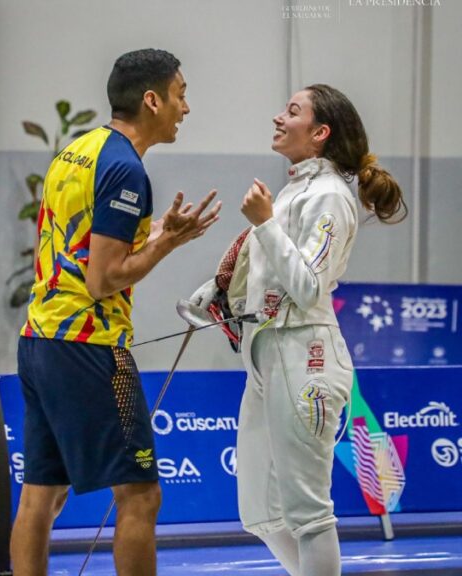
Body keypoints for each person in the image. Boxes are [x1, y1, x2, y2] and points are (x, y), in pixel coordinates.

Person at [12, 48, 221, 576]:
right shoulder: (127, 169)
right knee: (141, 497)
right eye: (180, 94)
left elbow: (81, 245)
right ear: (152, 100)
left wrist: (154, 234)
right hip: (91, 350)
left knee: (42, 497)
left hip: (39, 342)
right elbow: (104, 279)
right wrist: (167, 246)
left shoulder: (77, 150)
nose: (186, 107)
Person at [191, 84, 406, 576]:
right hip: (268, 354)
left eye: (292, 112)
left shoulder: (331, 196)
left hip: (306, 356)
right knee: (260, 514)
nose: (278, 118)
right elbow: (271, 267)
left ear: (319, 133)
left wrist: (265, 223)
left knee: (309, 517)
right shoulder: (296, 190)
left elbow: (309, 286)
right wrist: (219, 288)